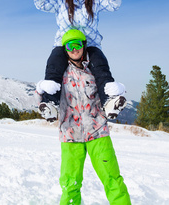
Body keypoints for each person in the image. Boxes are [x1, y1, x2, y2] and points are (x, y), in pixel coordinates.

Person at [36, 29, 131, 205]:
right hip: (70, 134)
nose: (74, 49)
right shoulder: (60, 74)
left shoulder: (93, 70)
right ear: (64, 49)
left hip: (98, 132)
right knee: (70, 183)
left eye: (77, 44)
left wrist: (119, 89)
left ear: (84, 46)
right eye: (69, 46)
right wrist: (41, 88)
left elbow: (107, 88)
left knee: (112, 179)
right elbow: (45, 96)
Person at [34, 0, 126, 114]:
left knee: (100, 65)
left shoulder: (94, 0)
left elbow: (114, 4)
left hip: (89, 43)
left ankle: (109, 100)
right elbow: (40, 3)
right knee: (54, 65)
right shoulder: (60, 1)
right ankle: (50, 103)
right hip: (65, 43)